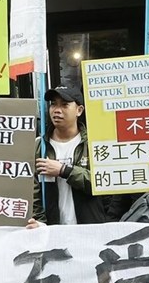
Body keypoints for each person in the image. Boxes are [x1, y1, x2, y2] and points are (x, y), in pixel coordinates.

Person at [27, 85, 112, 228]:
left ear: (79, 110)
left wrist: (64, 171)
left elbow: (103, 183)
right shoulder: (39, 146)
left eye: (64, 105)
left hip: (91, 230)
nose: (57, 110)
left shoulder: (94, 144)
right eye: (53, 104)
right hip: (53, 232)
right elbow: (32, 191)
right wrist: (42, 224)